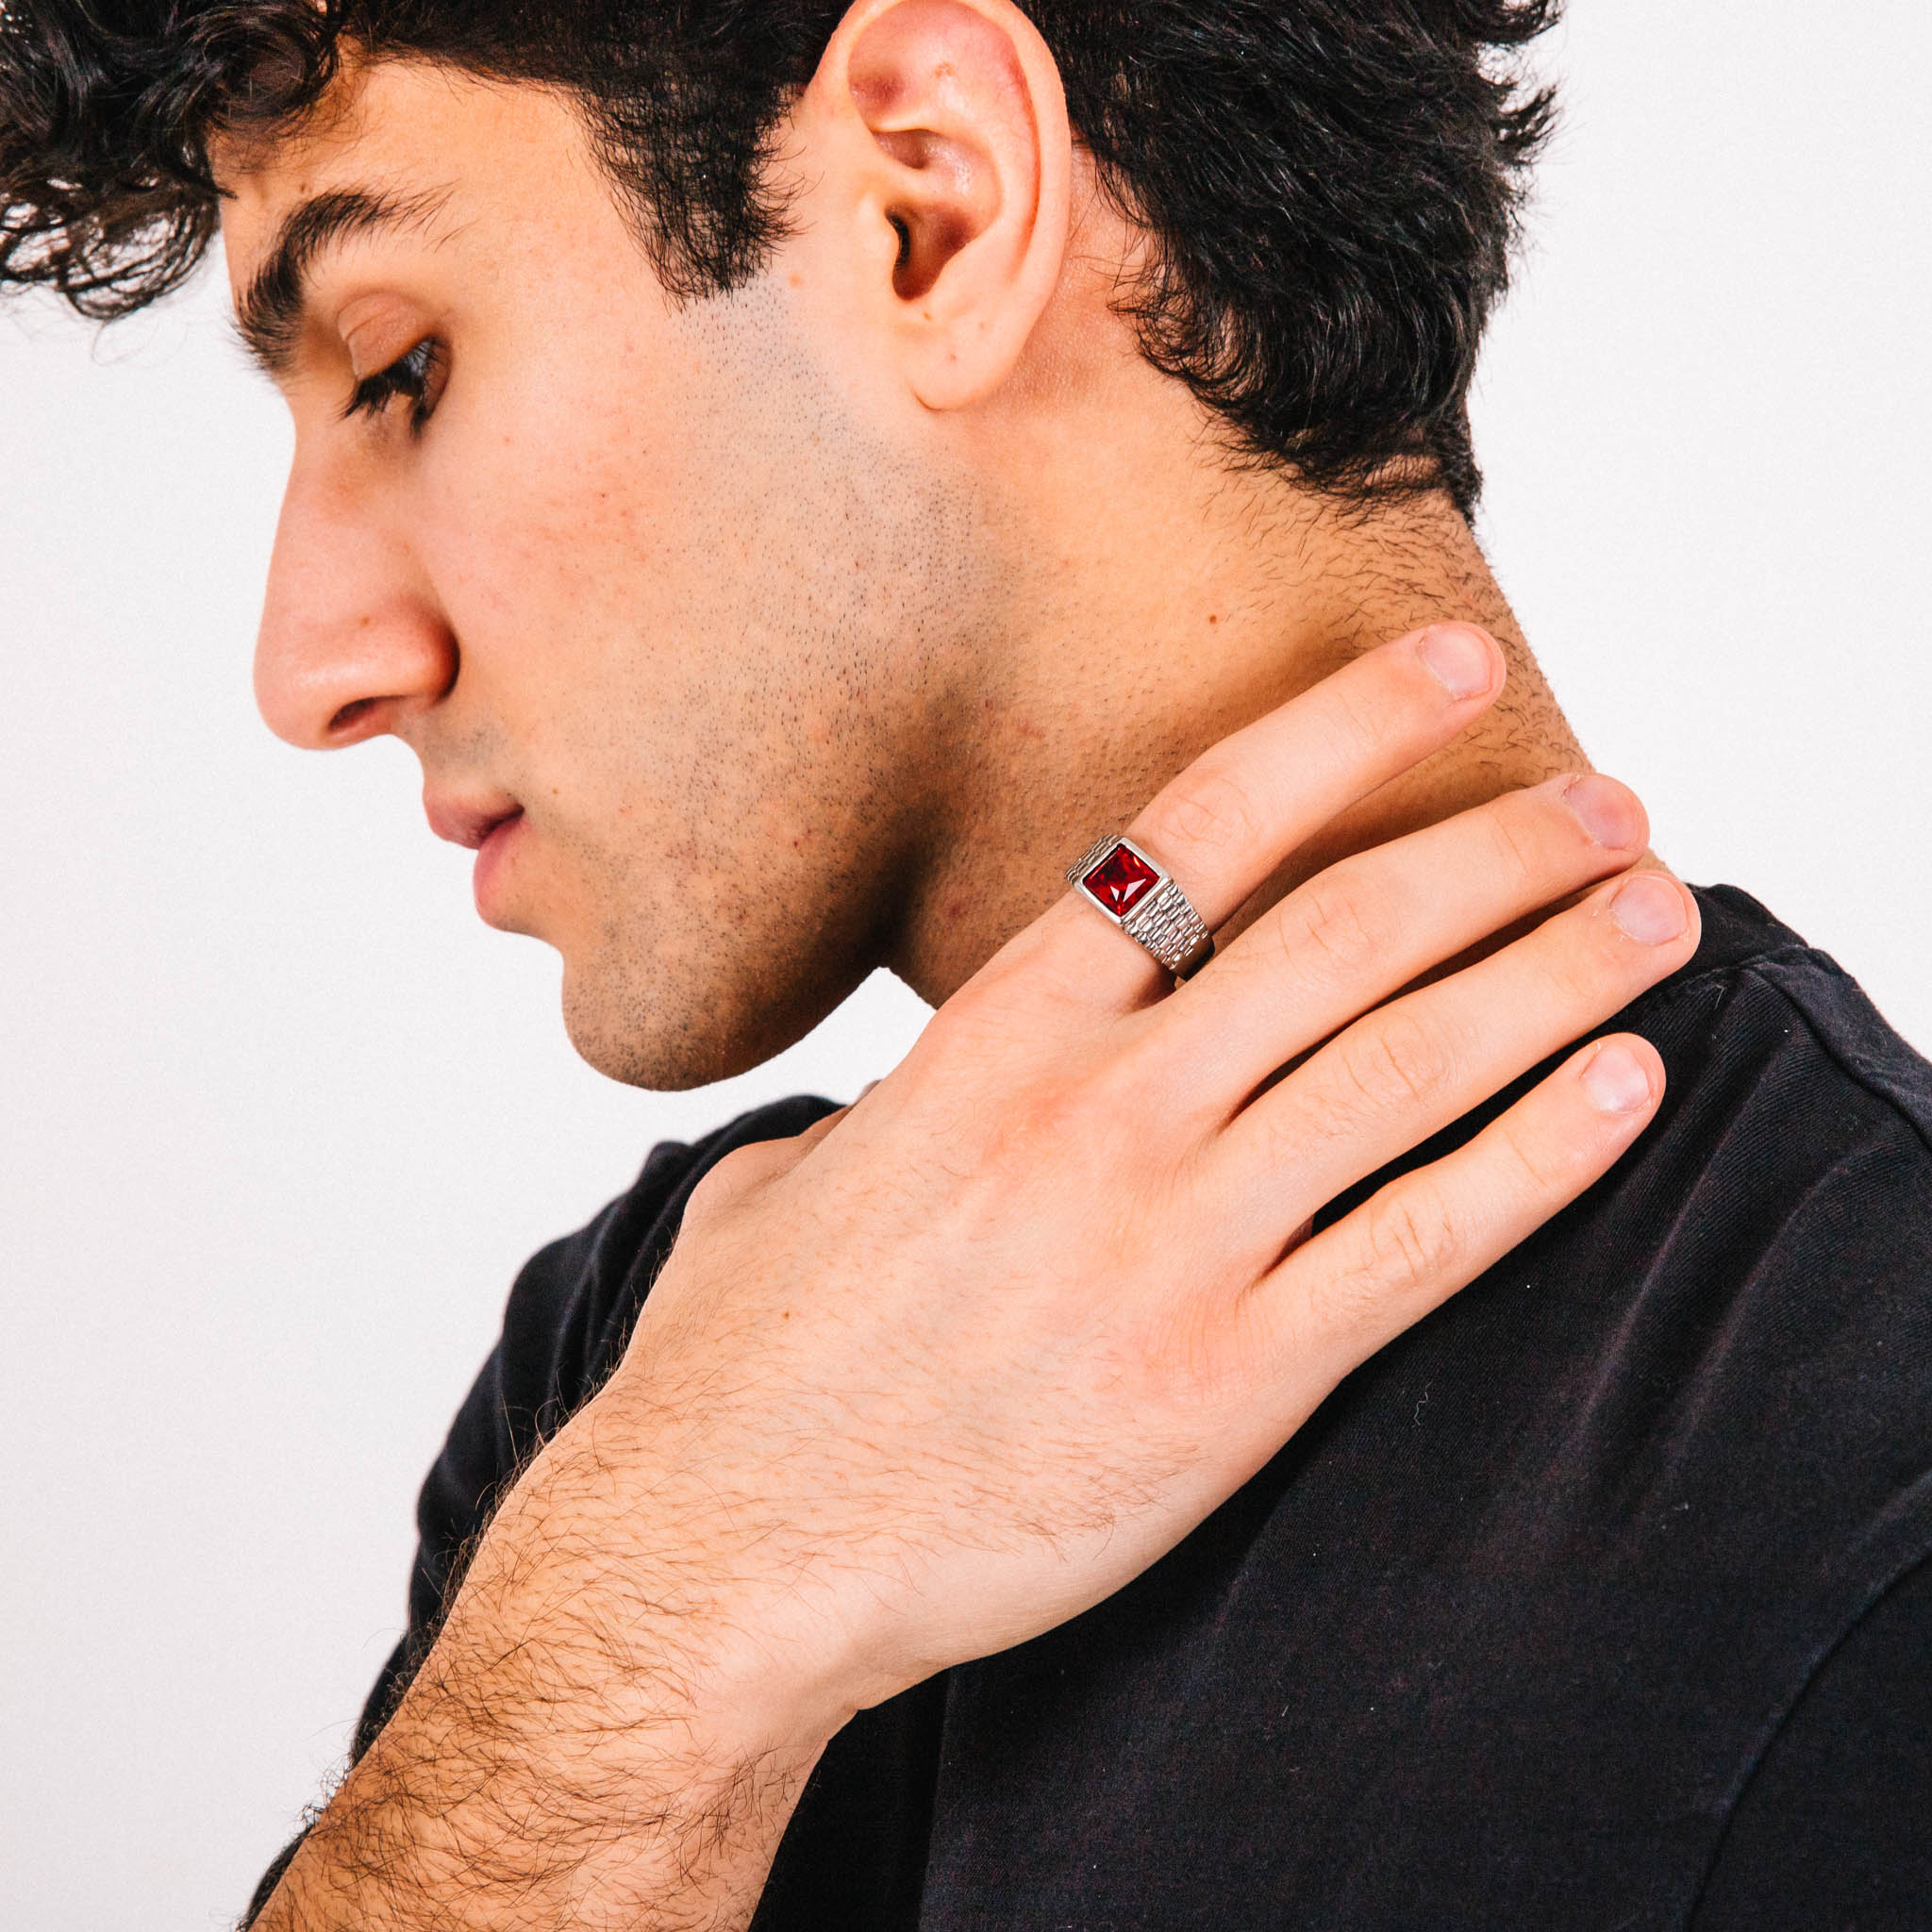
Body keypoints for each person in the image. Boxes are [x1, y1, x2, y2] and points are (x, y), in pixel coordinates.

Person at [7, 0, 1930, 1924]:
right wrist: (652, 1622)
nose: (306, 662)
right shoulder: (635, 1384)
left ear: (934, 205)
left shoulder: (1871, 1484)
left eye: (402, 370)